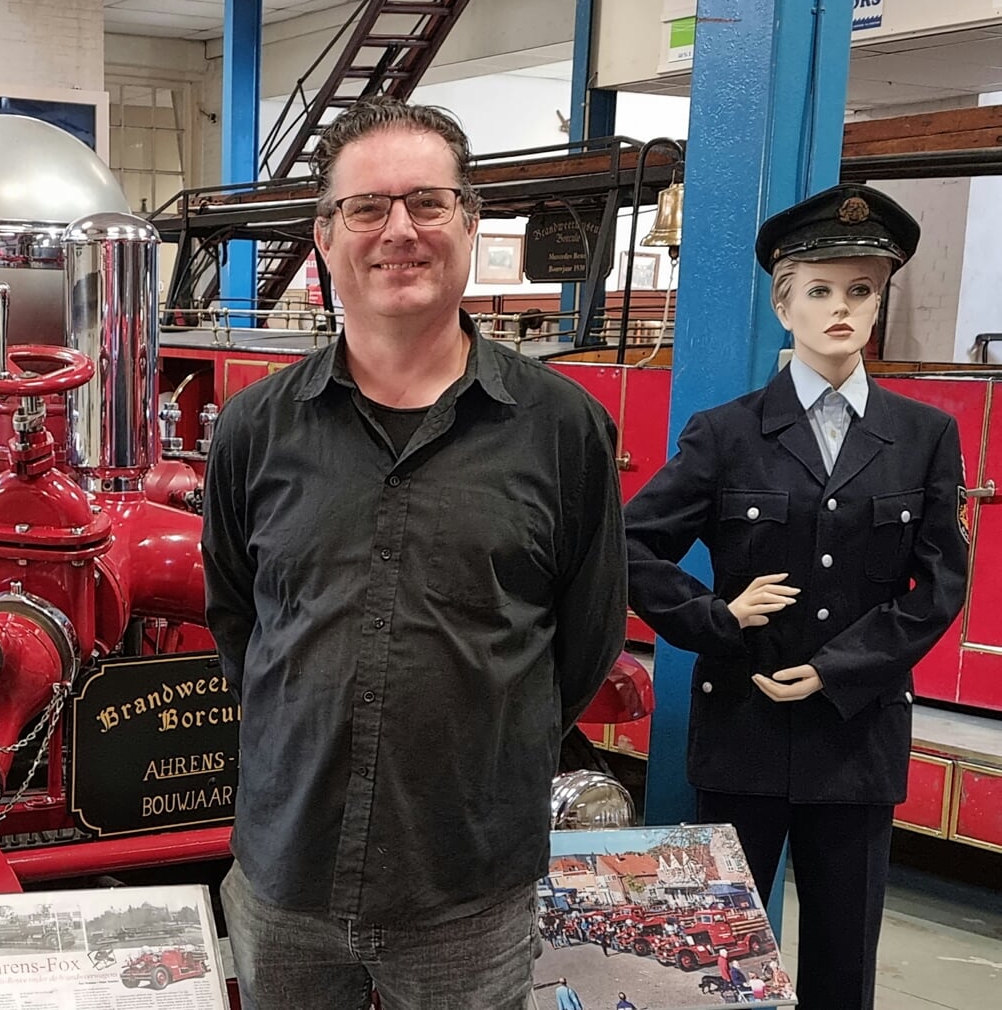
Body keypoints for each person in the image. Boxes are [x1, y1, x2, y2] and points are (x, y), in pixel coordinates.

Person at [204, 95, 626, 1010]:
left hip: (468, 889)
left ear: (468, 223)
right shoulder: (254, 430)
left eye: (427, 203)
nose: (399, 230)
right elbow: (241, 623)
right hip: (288, 882)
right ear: (325, 236)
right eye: (367, 207)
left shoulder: (562, 431)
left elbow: (584, 641)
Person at [624, 184, 969, 1010]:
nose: (841, 308)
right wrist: (716, 618)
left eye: (861, 291)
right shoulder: (727, 432)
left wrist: (841, 668)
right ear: (785, 306)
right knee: (720, 959)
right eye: (819, 290)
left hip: (856, 737)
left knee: (844, 962)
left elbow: (941, 585)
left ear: (879, 303)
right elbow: (630, 548)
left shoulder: (924, 437)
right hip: (742, 727)